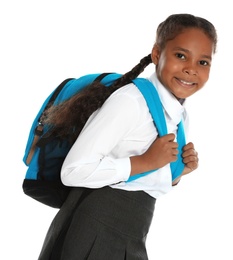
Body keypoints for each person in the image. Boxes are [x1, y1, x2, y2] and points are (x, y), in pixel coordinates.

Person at [37, 13, 217, 260]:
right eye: (181, 55)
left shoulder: (178, 114)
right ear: (156, 54)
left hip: (133, 230)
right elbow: (73, 171)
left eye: (203, 62)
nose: (191, 69)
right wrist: (145, 162)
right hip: (93, 225)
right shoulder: (131, 102)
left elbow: (143, 183)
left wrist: (177, 172)